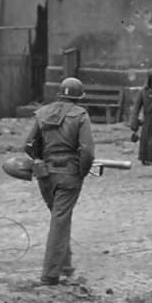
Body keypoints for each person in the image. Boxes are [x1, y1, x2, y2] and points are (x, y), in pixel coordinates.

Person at [23, 76, 95, 285]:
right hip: (69, 175)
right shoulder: (80, 115)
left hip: (45, 175)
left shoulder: (43, 112)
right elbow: (88, 151)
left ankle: (65, 265)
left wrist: (39, 159)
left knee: (60, 219)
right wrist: (81, 171)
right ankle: (50, 274)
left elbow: (29, 144)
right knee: (60, 220)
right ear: (78, 98)